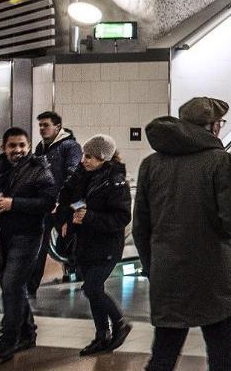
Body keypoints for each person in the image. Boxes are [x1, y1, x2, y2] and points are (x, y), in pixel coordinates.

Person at [134, 97, 231, 371]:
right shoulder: (223, 163)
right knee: (222, 352)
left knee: (163, 352)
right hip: (214, 273)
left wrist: (154, 265)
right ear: (211, 127)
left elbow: (140, 226)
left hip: (168, 271)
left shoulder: (151, 165)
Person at [0, 127, 57, 361]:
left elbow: (48, 202)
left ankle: (8, 340)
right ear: (4, 147)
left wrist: (13, 204)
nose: (17, 150)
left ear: (28, 146)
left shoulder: (40, 170)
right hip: (0, 237)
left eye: (22, 145)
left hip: (27, 236)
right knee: (13, 287)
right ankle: (28, 332)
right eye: (12, 145)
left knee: (11, 285)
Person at [57, 134, 133, 356]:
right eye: (84, 155)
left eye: (89, 157)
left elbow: (121, 217)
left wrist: (89, 217)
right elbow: (66, 196)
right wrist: (66, 216)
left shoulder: (115, 182)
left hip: (106, 246)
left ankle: (119, 323)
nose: (84, 160)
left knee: (91, 287)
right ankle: (102, 335)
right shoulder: (83, 175)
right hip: (85, 243)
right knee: (94, 290)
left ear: (103, 159)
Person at [32, 110, 82, 292]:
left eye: (46, 125)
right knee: (39, 246)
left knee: (69, 242)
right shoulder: (41, 147)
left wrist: (61, 201)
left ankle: (82, 278)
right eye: (40, 125)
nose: (42, 129)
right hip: (45, 205)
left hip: (62, 205)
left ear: (58, 126)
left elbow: (73, 174)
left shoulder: (70, 146)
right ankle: (31, 287)